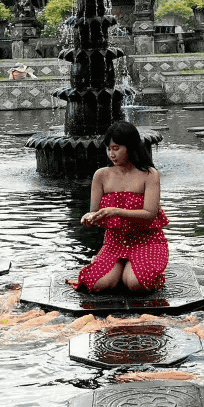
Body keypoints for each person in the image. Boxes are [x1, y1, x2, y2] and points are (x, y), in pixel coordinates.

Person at [68, 120, 169, 293]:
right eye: (109, 149)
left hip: (146, 241)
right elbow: (93, 212)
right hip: (114, 243)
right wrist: (88, 218)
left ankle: (136, 271)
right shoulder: (101, 175)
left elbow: (150, 214)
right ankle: (119, 268)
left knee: (136, 284)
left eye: (116, 148)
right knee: (98, 285)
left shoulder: (149, 175)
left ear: (130, 147)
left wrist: (115, 211)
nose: (111, 154)